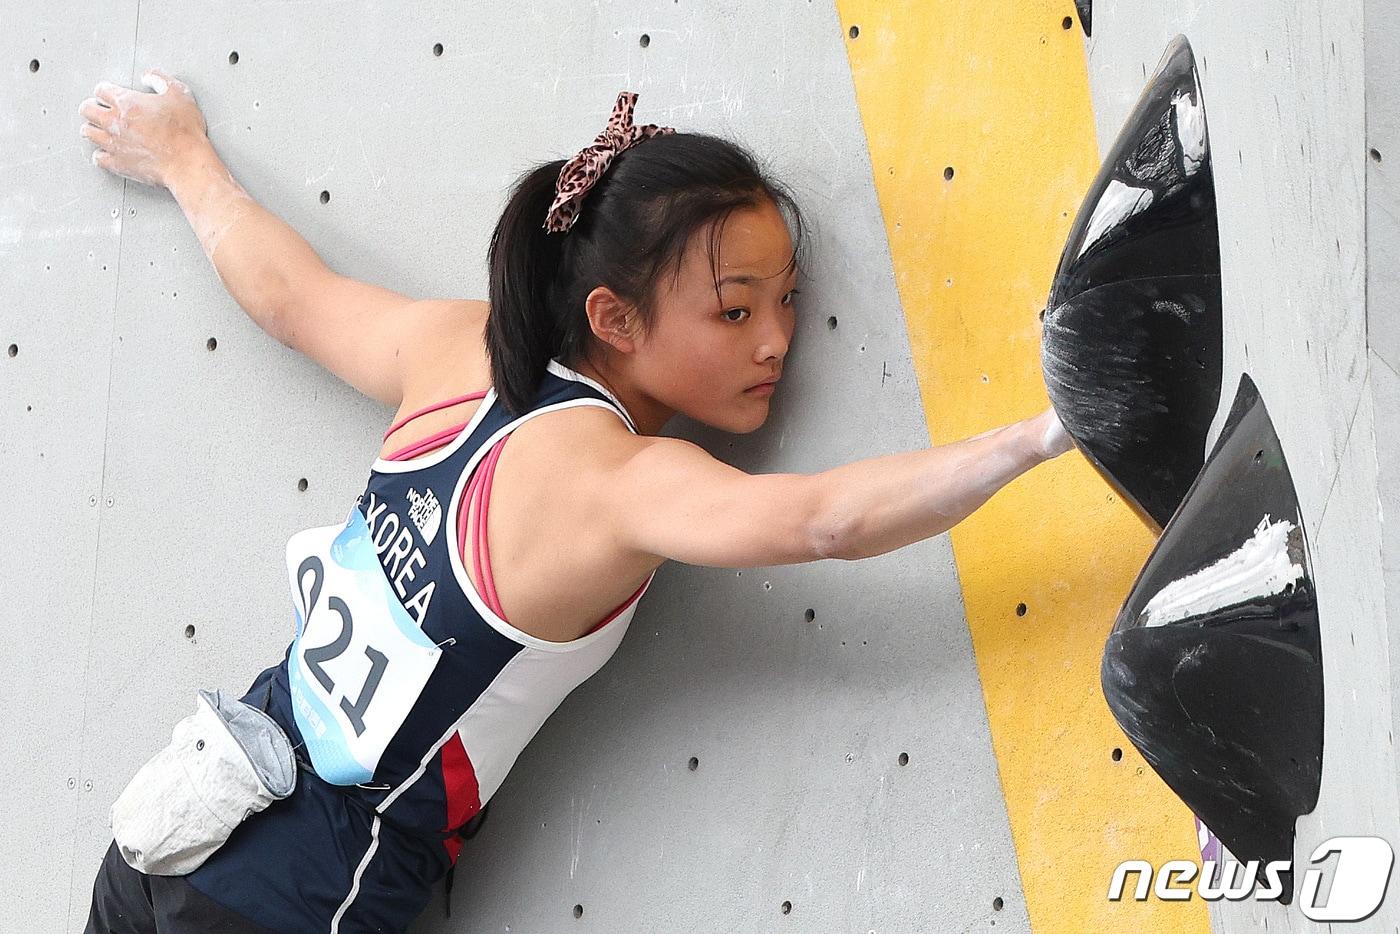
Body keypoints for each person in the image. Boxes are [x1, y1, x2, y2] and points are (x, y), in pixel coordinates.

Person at [76, 69, 1074, 933]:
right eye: (732, 310)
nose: (773, 341)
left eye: (786, 302)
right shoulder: (615, 483)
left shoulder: (459, 349)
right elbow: (821, 518)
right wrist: (1047, 432)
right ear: (613, 315)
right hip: (293, 892)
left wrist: (182, 160)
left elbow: (292, 298)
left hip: (172, 819)